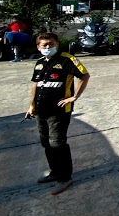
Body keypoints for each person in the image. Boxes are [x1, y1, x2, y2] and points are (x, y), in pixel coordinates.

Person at [24, 33, 90, 195]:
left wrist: (74, 97)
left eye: (51, 44)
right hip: (41, 110)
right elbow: (35, 85)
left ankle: (65, 177)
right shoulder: (39, 63)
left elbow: (85, 76)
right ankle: (55, 171)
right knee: (46, 143)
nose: (48, 47)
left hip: (59, 111)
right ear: (38, 47)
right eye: (44, 45)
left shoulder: (67, 59)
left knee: (57, 143)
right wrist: (31, 105)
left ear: (57, 44)